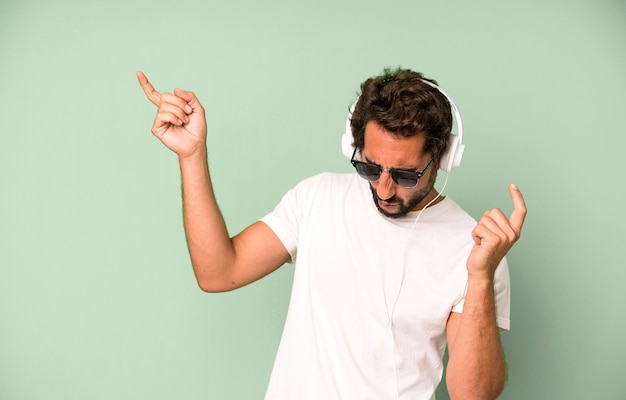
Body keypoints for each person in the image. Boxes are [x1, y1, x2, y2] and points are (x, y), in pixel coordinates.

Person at [137, 67, 527, 400]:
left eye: (406, 174)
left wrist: (479, 276)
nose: (385, 189)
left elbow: (473, 395)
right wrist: (192, 156)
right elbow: (218, 272)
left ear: (443, 159)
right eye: (371, 169)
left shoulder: (474, 247)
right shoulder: (317, 197)